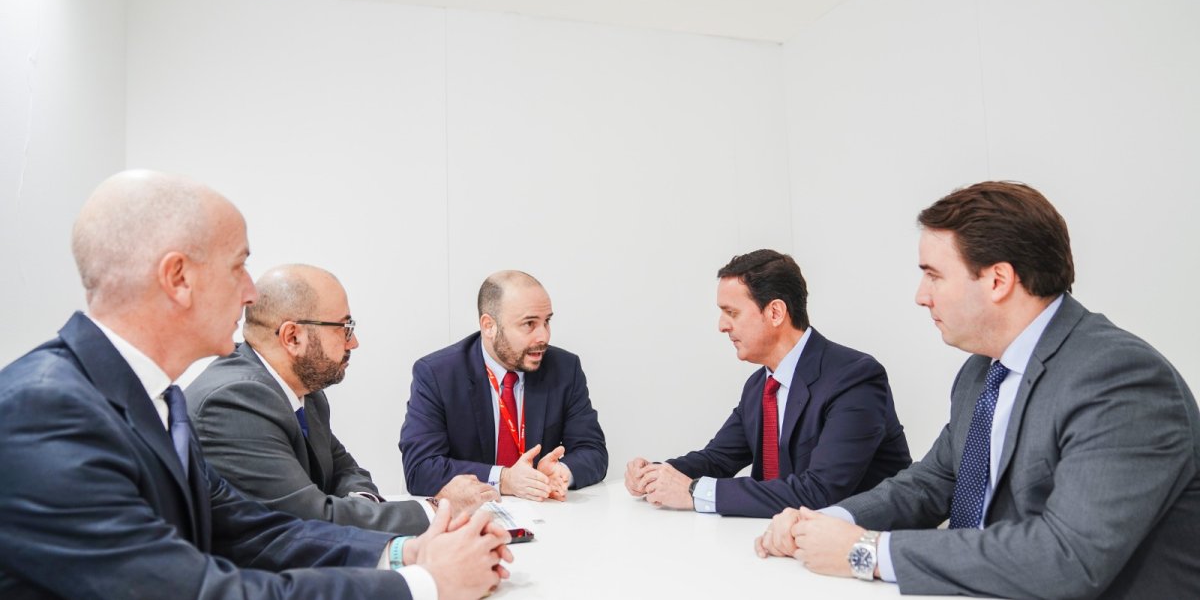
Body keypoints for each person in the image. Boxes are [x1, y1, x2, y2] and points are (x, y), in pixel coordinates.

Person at [0, 170, 511, 600]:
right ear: (178, 277)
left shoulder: (157, 396)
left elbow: (253, 530)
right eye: (239, 265)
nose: (250, 294)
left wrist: (406, 551)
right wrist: (424, 583)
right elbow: (197, 592)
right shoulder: (43, 410)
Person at [757, 181, 1200, 599]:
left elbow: (1069, 557)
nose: (921, 296)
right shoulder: (982, 371)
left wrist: (866, 552)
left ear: (997, 281)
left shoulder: (1120, 378)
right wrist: (823, 524)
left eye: (933, 275)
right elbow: (933, 482)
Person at [187, 264, 498, 534]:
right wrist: (438, 508)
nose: (355, 342)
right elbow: (311, 520)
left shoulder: (307, 394)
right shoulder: (235, 401)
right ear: (292, 337)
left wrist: (357, 504)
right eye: (344, 327)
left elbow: (347, 471)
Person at [624, 249, 911, 517]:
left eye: (731, 313)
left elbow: (820, 492)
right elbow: (719, 458)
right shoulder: (759, 385)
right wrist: (658, 473)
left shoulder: (854, 377)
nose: (722, 326)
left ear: (775, 312)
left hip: (853, 549)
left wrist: (693, 492)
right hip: (782, 544)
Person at [400, 270, 608, 500]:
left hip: (547, 514)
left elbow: (593, 451)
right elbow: (420, 468)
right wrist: (505, 479)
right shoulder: (438, 375)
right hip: (471, 520)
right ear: (489, 326)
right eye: (529, 324)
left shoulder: (565, 369)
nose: (544, 336)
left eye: (546, 321)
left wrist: (561, 472)